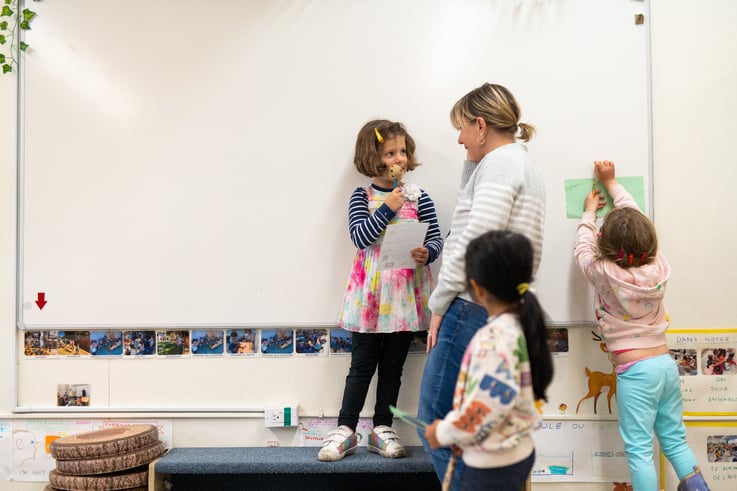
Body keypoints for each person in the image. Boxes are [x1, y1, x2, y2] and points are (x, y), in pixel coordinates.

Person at [417, 82, 545, 487]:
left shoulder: (501, 165)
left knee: (437, 423)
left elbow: (473, 241)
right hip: (493, 307)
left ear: (480, 124)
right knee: (483, 423)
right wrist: (473, 162)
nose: (458, 139)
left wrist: (439, 304)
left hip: (470, 306)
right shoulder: (518, 161)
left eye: (462, 129)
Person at [575, 160, 709, 491]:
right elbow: (638, 219)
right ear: (648, 244)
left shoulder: (603, 272)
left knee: (639, 451)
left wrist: (590, 212)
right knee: (675, 440)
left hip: (635, 371)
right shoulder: (658, 267)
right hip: (664, 365)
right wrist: (614, 182)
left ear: (606, 245)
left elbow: (582, 247)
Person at [318, 119, 444, 462]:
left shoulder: (419, 197)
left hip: (404, 297)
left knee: (393, 368)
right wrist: (388, 207)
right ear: (373, 157)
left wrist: (427, 253)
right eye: (390, 152)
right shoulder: (362, 196)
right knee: (362, 365)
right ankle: (345, 428)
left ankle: (382, 427)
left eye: (402, 151)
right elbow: (360, 237)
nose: (398, 159)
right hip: (370, 298)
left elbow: (434, 237)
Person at [424, 231, 553, 491]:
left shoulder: (493, 341)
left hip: (492, 466)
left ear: (478, 289)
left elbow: (487, 405)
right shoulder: (521, 323)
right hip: (514, 451)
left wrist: (445, 432)